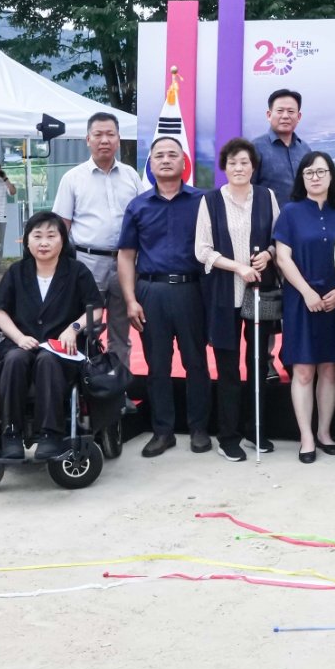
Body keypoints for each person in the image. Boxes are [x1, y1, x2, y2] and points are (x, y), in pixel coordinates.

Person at [0, 211, 103, 461]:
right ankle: (10, 434)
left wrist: (73, 329)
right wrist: (18, 337)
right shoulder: (17, 272)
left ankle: (50, 434)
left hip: (62, 348)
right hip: (22, 343)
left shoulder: (77, 271)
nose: (43, 242)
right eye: (37, 236)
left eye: (51, 236)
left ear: (63, 240)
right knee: (14, 360)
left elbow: (96, 309)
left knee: (47, 360)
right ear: (27, 241)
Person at [117, 135, 211, 458]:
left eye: (173, 154)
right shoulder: (138, 206)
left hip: (191, 290)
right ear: (151, 164)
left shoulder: (202, 201)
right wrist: (130, 299)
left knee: (196, 362)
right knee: (157, 365)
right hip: (151, 292)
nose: (166, 160)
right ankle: (162, 431)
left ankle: (199, 429)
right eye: (160, 155)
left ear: (184, 162)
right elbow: (126, 255)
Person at [195, 137, 281, 462]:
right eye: (233, 163)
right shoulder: (210, 200)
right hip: (224, 292)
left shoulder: (267, 196)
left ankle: (255, 429)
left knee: (258, 363)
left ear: (253, 166)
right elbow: (202, 250)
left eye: (244, 162)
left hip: (261, 291)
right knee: (228, 367)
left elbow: (278, 239)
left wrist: (268, 255)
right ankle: (228, 436)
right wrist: (238, 267)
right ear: (224, 167)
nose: (239, 168)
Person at [52, 111, 145, 366]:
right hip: (87, 264)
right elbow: (61, 227)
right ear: (88, 139)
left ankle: (117, 383)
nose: (105, 140)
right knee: (86, 328)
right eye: (98, 134)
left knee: (120, 332)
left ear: (119, 139)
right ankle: (85, 381)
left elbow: (143, 219)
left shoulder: (131, 176)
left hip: (125, 263)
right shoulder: (72, 178)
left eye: (110, 134)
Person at [273, 151, 335, 461]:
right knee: (303, 371)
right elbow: (283, 258)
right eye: (309, 172)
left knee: (330, 369)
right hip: (300, 300)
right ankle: (306, 437)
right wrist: (306, 292)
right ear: (301, 178)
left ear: (331, 176)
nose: (315, 177)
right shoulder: (290, 212)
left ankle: (324, 433)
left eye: (321, 171)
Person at [254, 88, 311, 205]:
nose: (285, 116)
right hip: (268, 216)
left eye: (291, 111)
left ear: (299, 117)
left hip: (302, 215)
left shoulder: (305, 150)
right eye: (280, 111)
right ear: (269, 115)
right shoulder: (255, 148)